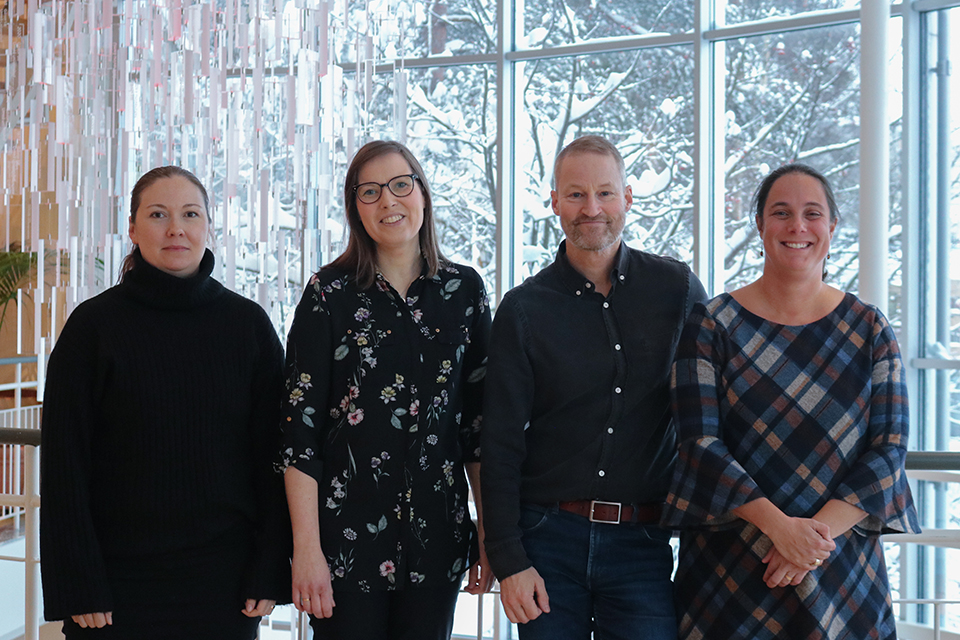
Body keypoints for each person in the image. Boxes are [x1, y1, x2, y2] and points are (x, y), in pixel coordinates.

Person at [662, 163, 921, 639]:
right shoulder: (711, 324)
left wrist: (808, 542)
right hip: (731, 572)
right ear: (760, 225)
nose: (797, 227)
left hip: (843, 574)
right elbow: (699, 444)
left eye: (812, 213)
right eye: (781, 213)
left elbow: (889, 451)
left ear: (832, 227)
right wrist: (779, 530)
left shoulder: (869, 329)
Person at [39, 167, 291, 638]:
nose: (176, 228)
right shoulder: (92, 329)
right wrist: (79, 583)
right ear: (132, 229)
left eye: (189, 214)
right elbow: (64, 467)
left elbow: (272, 459)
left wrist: (269, 567)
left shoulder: (247, 327)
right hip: (115, 588)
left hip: (224, 586)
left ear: (208, 227)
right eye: (158, 214)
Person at [480, 135, 707, 640]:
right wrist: (509, 559)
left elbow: (710, 413)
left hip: (643, 541)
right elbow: (499, 444)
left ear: (627, 198)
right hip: (546, 541)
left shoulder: (677, 291)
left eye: (605, 193)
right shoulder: (523, 310)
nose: (592, 208)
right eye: (576, 194)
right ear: (555, 202)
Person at [279, 139, 493, 639]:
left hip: (437, 540)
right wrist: (305, 549)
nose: (388, 202)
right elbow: (298, 435)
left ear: (422, 193)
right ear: (355, 208)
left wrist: (489, 532)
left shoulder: (465, 292)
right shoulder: (326, 295)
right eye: (369, 192)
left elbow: (479, 428)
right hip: (344, 545)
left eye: (400, 185)